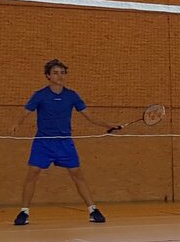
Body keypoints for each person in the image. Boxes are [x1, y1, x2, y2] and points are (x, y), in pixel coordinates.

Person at [10, 59, 116, 226]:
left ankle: (93, 210)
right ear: (48, 76)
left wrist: (108, 125)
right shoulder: (40, 95)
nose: (59, 76)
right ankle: (24, 212)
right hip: (43, 142)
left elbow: (89, 115)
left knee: (77, 174)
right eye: (55, 73)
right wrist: (16, 124)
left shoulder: (71, 96)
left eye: (62, 73)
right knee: (33, 173)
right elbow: (26, 111)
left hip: (65, 142)